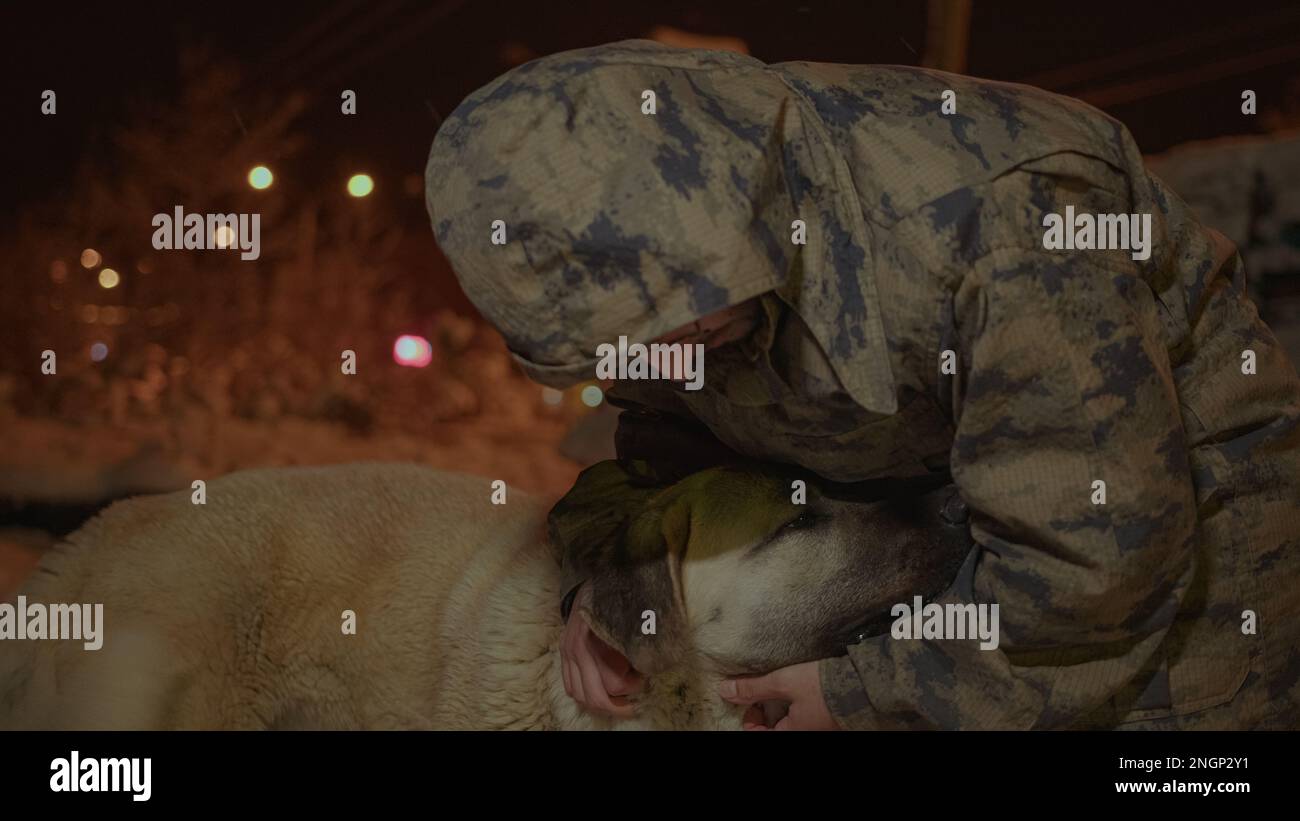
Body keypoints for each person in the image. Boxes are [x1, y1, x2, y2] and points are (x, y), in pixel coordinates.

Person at [425, 40, 1300, 729]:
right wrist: (614, 596)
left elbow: (1097, 572)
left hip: (1172, 573)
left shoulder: (1010, 225)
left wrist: (864, 696)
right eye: (624, 339)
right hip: (926, 551)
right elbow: (663, 463)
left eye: (674, 311)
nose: (662, 353)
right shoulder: (669, 306)